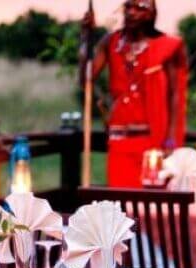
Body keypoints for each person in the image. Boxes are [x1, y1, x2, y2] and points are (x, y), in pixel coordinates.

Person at [80, 0, 188, 187]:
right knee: (121, 206)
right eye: (128, 6)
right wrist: (85, 38)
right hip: (119, 141)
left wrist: (171, 140)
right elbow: (85, 79)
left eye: (139, 8)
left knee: (151, 206)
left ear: (151, 13)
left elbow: (174, 95)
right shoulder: (111, 42)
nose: (131, 12)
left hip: (153, 142)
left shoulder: (167, 46)